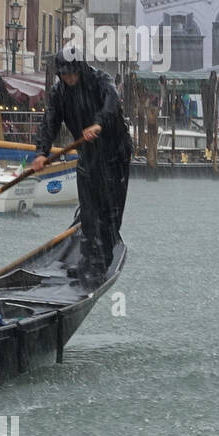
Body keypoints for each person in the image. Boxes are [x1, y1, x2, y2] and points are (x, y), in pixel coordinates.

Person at [30, 44, 132, 284]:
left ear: (81, 68)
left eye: (72, 72)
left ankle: (101, 262)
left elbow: (112, 101)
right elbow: (50, 122)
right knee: (87, 210)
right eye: (64, 74)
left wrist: (99, 123)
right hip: (88, 153)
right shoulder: (59, 93)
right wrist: (41, 152)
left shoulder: (100, 80)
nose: (69, 78)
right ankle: (87, 260)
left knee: (108, 210)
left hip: (114, 152)